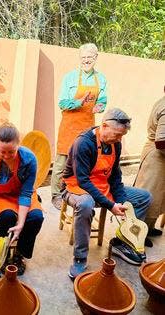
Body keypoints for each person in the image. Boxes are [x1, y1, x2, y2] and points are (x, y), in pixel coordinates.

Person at [60, 108, 152, 280]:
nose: (119, 139)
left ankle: (124, 241)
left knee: (144, 197)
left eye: (122, 136)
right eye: (117, 135)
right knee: (86, 205)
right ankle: (80, 258)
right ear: (104, 126)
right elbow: (83, 181)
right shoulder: (84, 143)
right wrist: (110, 205)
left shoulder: (114, 144)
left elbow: (116, 176)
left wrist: (123, 202)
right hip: (75, 187)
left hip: (102, 186)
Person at [0, 123, 44, 275]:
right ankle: (3, 255)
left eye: (11, 151)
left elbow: (25, 194)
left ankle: (19, 254)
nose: (6, 156)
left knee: (36, 217)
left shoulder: (29, 159)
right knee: (7, 217)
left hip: (20, 194)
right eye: (2, 151)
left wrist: (21, 224)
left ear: (19, 145)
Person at [51, 43, 107, 209]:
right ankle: (56, 194)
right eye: (83, 58)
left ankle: (75, 191)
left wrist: (100, 106)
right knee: (62, 161)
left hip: (87, 127)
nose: (86, 61)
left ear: (96, 58)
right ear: (79, 59)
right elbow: (62, 102)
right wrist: (78, 102)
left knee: (82, 161)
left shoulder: (101, 79)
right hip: (69, 125)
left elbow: (103, 99)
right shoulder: (70, 77)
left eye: (89, 57)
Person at [134, 94, 165, 247]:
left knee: (158, 197)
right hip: (157, 156)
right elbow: (161, 142)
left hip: (158, 156)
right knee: (148, 195)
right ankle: (136, 233)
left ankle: (149, 228)